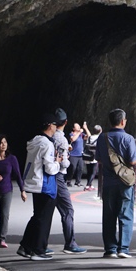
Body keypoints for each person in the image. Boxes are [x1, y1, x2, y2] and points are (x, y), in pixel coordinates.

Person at [18, 113, 63, 260]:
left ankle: (26, 246)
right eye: (55, 125)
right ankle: (38, 250)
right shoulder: (47, 144)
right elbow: (50, 168)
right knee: (44, 219)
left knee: (37, 216)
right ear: (50, 125)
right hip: (45, 185)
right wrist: (58, 162)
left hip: (34, 183)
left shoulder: (34, 141)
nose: (56, 128)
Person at [95, 108, 136, 259]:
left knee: (108, 215)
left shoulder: (102, 138)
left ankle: (110, 249)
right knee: (125, 214)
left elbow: (99, 159)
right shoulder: (128, 138)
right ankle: (123, 248)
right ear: (122, 121)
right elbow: (133, 160)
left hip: (108, 182)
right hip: (125, 182)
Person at [52, 109, 87, 254]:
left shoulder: (49, 137)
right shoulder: (62, 139)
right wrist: (65, 155)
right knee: (67, 210)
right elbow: (64, 164)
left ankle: (32, 245)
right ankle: (70, 244)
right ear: (66, 122)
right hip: (58, 176)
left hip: (47, 176)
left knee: (43, 212)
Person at [0, 134, 27, 248]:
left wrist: (22, 190)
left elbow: (18, 175)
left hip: (7, 190)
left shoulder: (11, 159)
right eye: (0, 143)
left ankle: (2, 238)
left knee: (4, 215)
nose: (3, 145)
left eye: (5, 142)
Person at [83, 123, 102, 192]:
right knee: (94, 172)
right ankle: (88, 185)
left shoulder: (90, 137)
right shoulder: (100, 138)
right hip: (94, 157)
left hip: (88, 157)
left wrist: (86, 128)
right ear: (100, 131)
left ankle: (90, 184)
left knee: (89, 171)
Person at [68, 122, 86, 187]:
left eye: (79, 126)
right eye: (77, 126)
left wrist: (86, 128)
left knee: (80, 168)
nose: (79, 127)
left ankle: (78, 182)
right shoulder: (71, 134)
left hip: (80, 154)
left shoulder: (82, 134)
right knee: (72, 168)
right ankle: (68, 180)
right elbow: (73, 139)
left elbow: (88, 136)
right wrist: (78, 132)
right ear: (73, 128)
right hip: (73, 154)